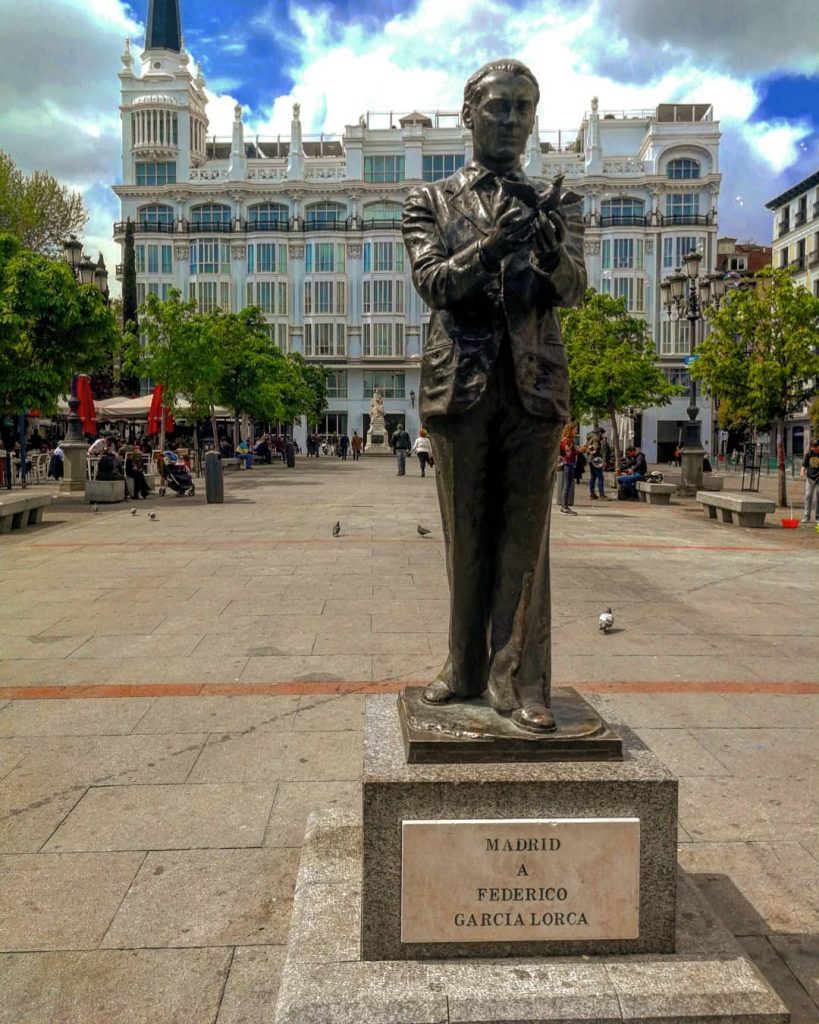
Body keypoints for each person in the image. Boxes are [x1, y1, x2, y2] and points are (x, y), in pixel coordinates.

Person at [402, 58, 586, 732]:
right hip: (460, 386)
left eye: (522, 108)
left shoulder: (555, 201)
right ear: (468, 113)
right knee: (466, 537)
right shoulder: (429, 201)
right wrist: (489, 246)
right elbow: (433, 285)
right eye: (498, 107)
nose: (511, 120)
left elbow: (572, 289)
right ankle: (463, 666)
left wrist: (547, 252)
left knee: (524, 541)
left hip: (535, 387)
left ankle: (522, 682)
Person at [557, 425, 577, 515]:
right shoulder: (567, 441)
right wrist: (575, 450)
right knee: (567, 486)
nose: (576, 431)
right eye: (574, 429)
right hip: (567, 465)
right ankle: (564, 507)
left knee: (567, 485)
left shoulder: (568, 440)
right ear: (570, 430)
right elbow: (568, 454)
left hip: (569, 464)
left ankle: (565, 507)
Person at [801, 437, 819, 523]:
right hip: (810, 477)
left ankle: (818, 517)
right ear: (811, 447)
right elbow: (804, 464)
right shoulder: (809, 454)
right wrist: (802, 471)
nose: (815, 448)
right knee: (808, 495)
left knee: (818, 494)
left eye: (816, 446)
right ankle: (806, 516)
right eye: (813, 446)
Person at [585, 432, 607, 500]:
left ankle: (592, 494)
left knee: (593, 477)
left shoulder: (589, 439)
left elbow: (587, 449)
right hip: (596, 460)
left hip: (590, 460)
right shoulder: (595, 439)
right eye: (603, 434)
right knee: (600, 477)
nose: (603, 435)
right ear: (599, 433)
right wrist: (602, 459)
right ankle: (601, 495)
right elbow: (595, 448)